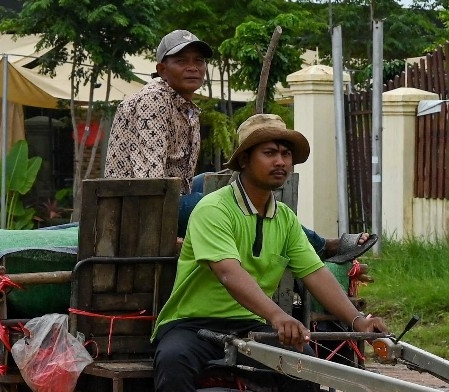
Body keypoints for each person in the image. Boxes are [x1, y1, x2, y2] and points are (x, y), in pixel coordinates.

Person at [151, 113, 389, 392]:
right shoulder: (213, 209)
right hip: (192, 323)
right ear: (244, 160)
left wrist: (358, 319)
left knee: (304, 360)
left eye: (286, 154)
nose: (281, 162)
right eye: (269, 152)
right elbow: (229, 273)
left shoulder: (285, 220)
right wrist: (278, 315)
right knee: (172, 359)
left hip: (246, 325)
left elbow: (315, 273)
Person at [104, 29, 376, 264]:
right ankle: (322, 246)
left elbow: (180, 178)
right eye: (181, 61)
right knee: (220, 202)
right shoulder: (154, 100)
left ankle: (309, 240)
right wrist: (170, 235)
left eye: (198, 61)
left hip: (173, 192)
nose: (193, 67)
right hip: (138, 204)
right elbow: (149, 183)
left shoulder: (185, 106)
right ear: (162, 69)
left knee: (229, 187)